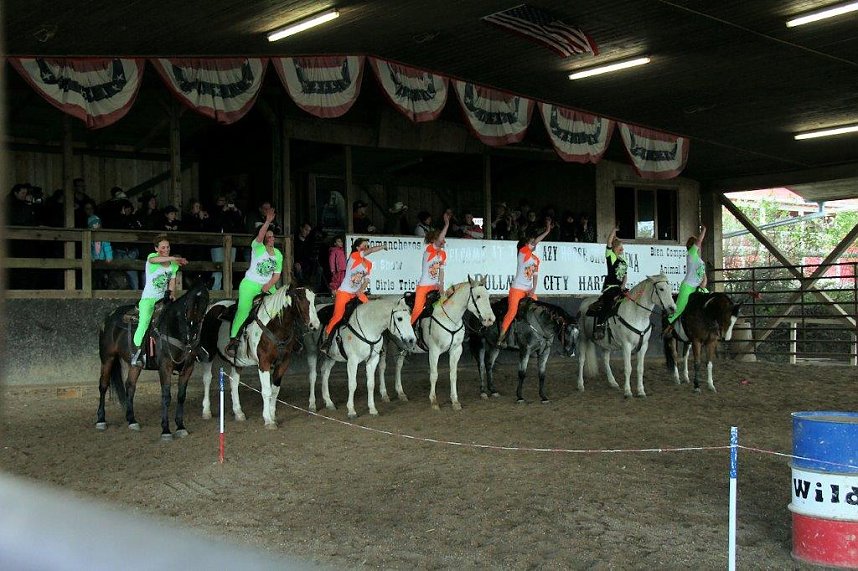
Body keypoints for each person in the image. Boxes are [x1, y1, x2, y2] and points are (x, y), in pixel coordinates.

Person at [225, 208, 284, 357]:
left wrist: (268, 286)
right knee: (244, 309)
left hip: (268, 284)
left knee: (280, 307)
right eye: (268, 236)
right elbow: (260, 235)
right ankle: (234, 339)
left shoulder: (278, 254)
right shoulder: (257, 247)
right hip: (250, 284)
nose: (271, 238)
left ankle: (283, 338)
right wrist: (268, 222)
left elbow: (276, 275)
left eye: (273, 236)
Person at [130, 234, 189, 367]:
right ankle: (137, 353)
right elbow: (154, 261)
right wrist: (175, 258)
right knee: (144, 322)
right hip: (149, 298)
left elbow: (172, 281)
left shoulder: (173, 265)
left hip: (163, 298)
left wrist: (171, 293)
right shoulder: (152, 257)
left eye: (168, 247)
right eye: (163, 247)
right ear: (156, 249)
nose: (166, 249)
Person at [320, 237, 387, 352]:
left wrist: (360, 290)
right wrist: (382, 247)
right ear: (357, 248)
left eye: (367, 245)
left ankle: (375, 342)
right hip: (344, 292)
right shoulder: (354, 256)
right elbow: (369, 251)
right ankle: (327, 340)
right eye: (364, 246)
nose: (367, 247)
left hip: (357, 293)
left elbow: (366, 281)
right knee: (338, 316)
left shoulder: (368, 264)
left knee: (370, 311)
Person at [497, 220, 553, 347]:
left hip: (528, 290)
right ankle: (501, 337)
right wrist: (547, 231)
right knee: (512, 311)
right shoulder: (523, 253)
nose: (533, 243)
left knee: (537, 309)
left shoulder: (535, 259)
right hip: (517, 289)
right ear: (525, 245)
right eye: (530, 242)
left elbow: (535, 276)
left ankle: (537, 335)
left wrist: (533, 290)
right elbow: (535, 241)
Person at [411, 212, 451, 324]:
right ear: (434, 240)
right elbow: (440, 240)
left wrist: (441, 285)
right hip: (423, 286)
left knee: (445, 307)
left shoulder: (442, 254)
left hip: (434, 286)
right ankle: (411, 327)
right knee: (418, 310)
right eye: (442, 239)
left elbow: (441, 271)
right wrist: (446, 224)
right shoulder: (429, 250)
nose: (444, 241)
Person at [668, 225, 708, 325]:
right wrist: (704, 230)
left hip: (697, 287)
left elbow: (703, 273)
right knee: (679, 309)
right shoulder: (691, 254)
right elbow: (698, 242)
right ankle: (667, 326)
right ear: (692, 246)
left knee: (708, 304)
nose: (699, 245)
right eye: (696, 244)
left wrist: (704, 281)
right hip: (688, 287)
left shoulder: (699, 259)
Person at [88, 215, 113, 289]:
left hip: (102, 260)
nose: (97, 225)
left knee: (102, 275)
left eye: (98, 223)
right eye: (94, 224)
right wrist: (90, 258)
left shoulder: (103, 236)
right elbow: (88, 250)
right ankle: (95, 288)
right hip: (93, 261)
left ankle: (103, 288)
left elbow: (107, 247)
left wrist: (109, 257)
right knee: (94, 276)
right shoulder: (89, 237)